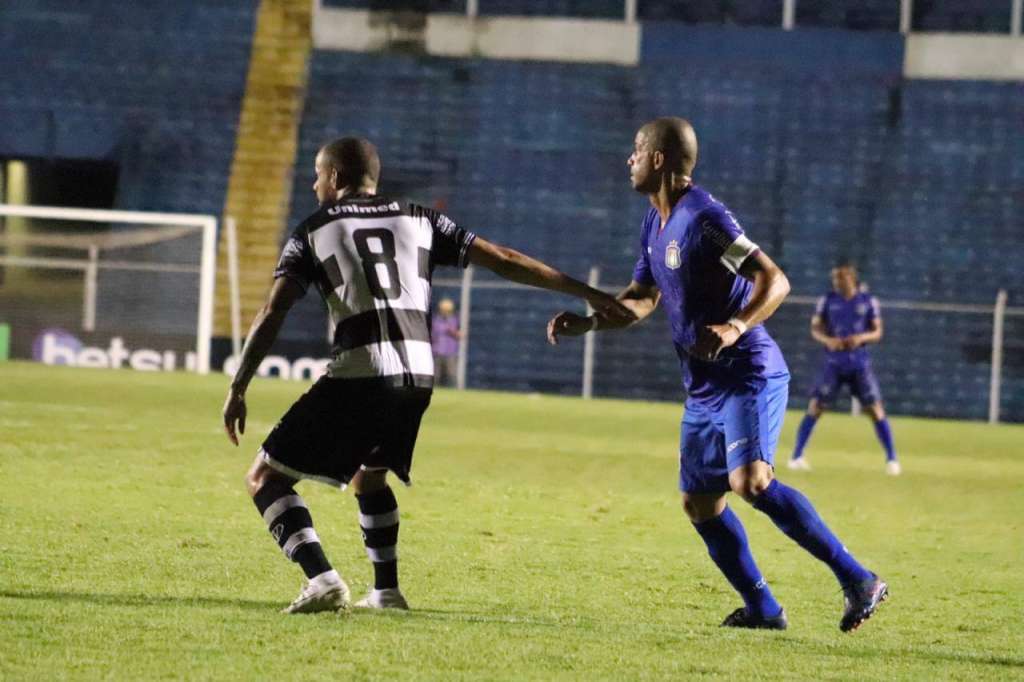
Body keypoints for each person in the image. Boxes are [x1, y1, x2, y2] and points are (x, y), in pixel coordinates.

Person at [222, 137, 632, 614]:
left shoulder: (312, 230)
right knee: (369, 476)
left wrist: (238, 385)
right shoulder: (421, 217)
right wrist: (588, 292)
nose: (314, 185)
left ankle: (323, 579)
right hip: (419, 371)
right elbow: (505, 259)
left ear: (335, 178)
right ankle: (387, 592)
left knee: (264, 476)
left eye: (318, 175)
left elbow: (274, 310)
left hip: (363, 369)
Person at [547, 117, 888, 632]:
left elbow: (775, 280)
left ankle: (858, 578)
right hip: (705, 387)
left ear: (659, 158)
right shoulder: (653, 221)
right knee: (700, 502)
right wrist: (592, 322)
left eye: (637, 149)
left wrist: (734, 325)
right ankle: (764, 609)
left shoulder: (705, 219)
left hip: (748, 372)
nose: (629, 158)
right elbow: (643, 299)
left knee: (750, 482)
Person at [788, 265, 900, 475]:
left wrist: (861, 338)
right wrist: (827, 340)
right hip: (834, 363)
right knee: (816, 406)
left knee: (875, 409)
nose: (837, 283)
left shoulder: (868, 301)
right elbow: (815, 329)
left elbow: (877, 332)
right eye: (835, 280)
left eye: (841, 279)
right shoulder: (827, 300)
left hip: (859, 363)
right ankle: (796, 456)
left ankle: (892, 459)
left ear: (851, 279)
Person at [431, 298, 460, 387]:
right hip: (437, 352)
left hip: (450, 352)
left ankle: (453, 394)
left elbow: (460, 335)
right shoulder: (435, 320)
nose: (445, 312)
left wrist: (451, 330)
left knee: (451, 376)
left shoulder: (455, 320)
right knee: (435, 376)